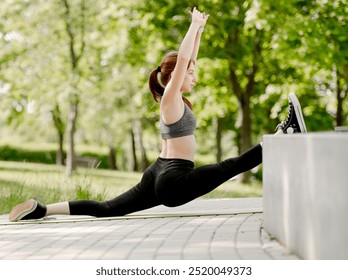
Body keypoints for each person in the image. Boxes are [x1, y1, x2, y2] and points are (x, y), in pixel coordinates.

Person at [9, 8, 307, 222]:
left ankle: (42, 209)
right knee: (232, 165)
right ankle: (285, 133)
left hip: (159, 172)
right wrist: (192, 27)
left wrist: (200, 31)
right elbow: (184, 62)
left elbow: (189, 59)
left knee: (108, 208)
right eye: (191, 72)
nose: (195, 76)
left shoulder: (175, 100)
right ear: (175, 76)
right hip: (174, 178)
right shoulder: (170, 97)